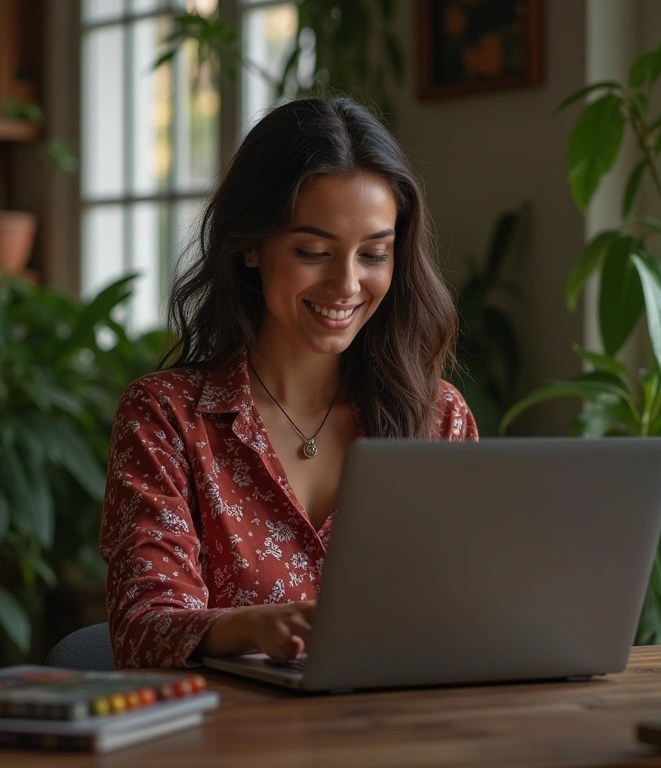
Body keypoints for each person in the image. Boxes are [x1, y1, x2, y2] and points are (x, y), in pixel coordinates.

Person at [99, 96, 478, 669]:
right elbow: (142, 628)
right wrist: (250, 626)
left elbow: (470, 611)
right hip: (230, 726)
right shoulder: (167, 417)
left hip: (403, 717)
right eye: (313, 252)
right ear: (251, 246)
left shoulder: (438, 416)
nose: (346, 284)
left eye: (374, 254)